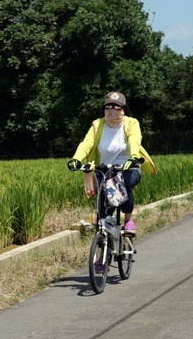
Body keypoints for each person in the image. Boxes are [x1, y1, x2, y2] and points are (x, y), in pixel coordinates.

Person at [66, 91, 157, 237]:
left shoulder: (131, 123)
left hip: (128, 167)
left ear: (123, 110)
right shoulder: (98, 125)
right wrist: (76, 159)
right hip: (104, 169)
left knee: (123, 183)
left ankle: (128, 220)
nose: (111, 110)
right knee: (103, 204)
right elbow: (86, 144)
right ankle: (102, 250)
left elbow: (135, 140)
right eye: (108, 106)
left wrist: (133, 158)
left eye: (116, 107)